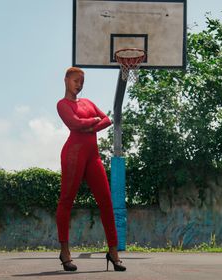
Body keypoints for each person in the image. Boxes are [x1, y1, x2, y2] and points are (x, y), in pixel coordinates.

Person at [56, 67, 126, 272]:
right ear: (66, 80)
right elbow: (74, 123)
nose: (79, 85)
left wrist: (90, 126)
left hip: (92, 157)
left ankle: (113, 252)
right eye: (76, 80)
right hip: (73, 155)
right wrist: (92, 122)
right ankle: (65, 251)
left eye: (82, 82)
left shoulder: (87, 103)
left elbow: (107, 119)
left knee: (106, 202)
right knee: (67, 200)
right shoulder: (62, 104)